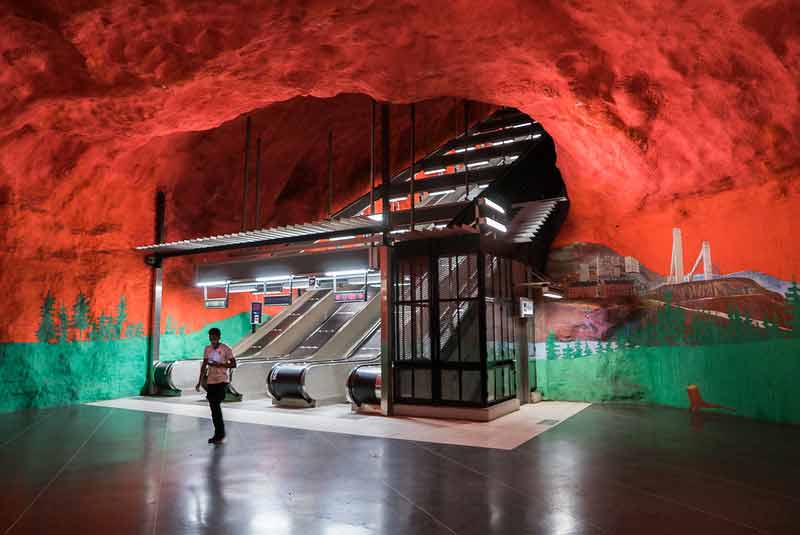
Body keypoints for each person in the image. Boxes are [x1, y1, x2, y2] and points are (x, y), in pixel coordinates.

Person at [196, 327, 236, 444]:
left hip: (222, 380)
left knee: (215, 405)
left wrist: (221, 365)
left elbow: (233, 364)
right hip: (211, 381)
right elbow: (204, 365)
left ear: (219, 337)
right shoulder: (207, 349)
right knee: (214, 408)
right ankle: (219, 434)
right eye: (210, 337)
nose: (212, 339)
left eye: (214, 337)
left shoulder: (225, 349)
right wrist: (199, 381)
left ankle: (220, 433)